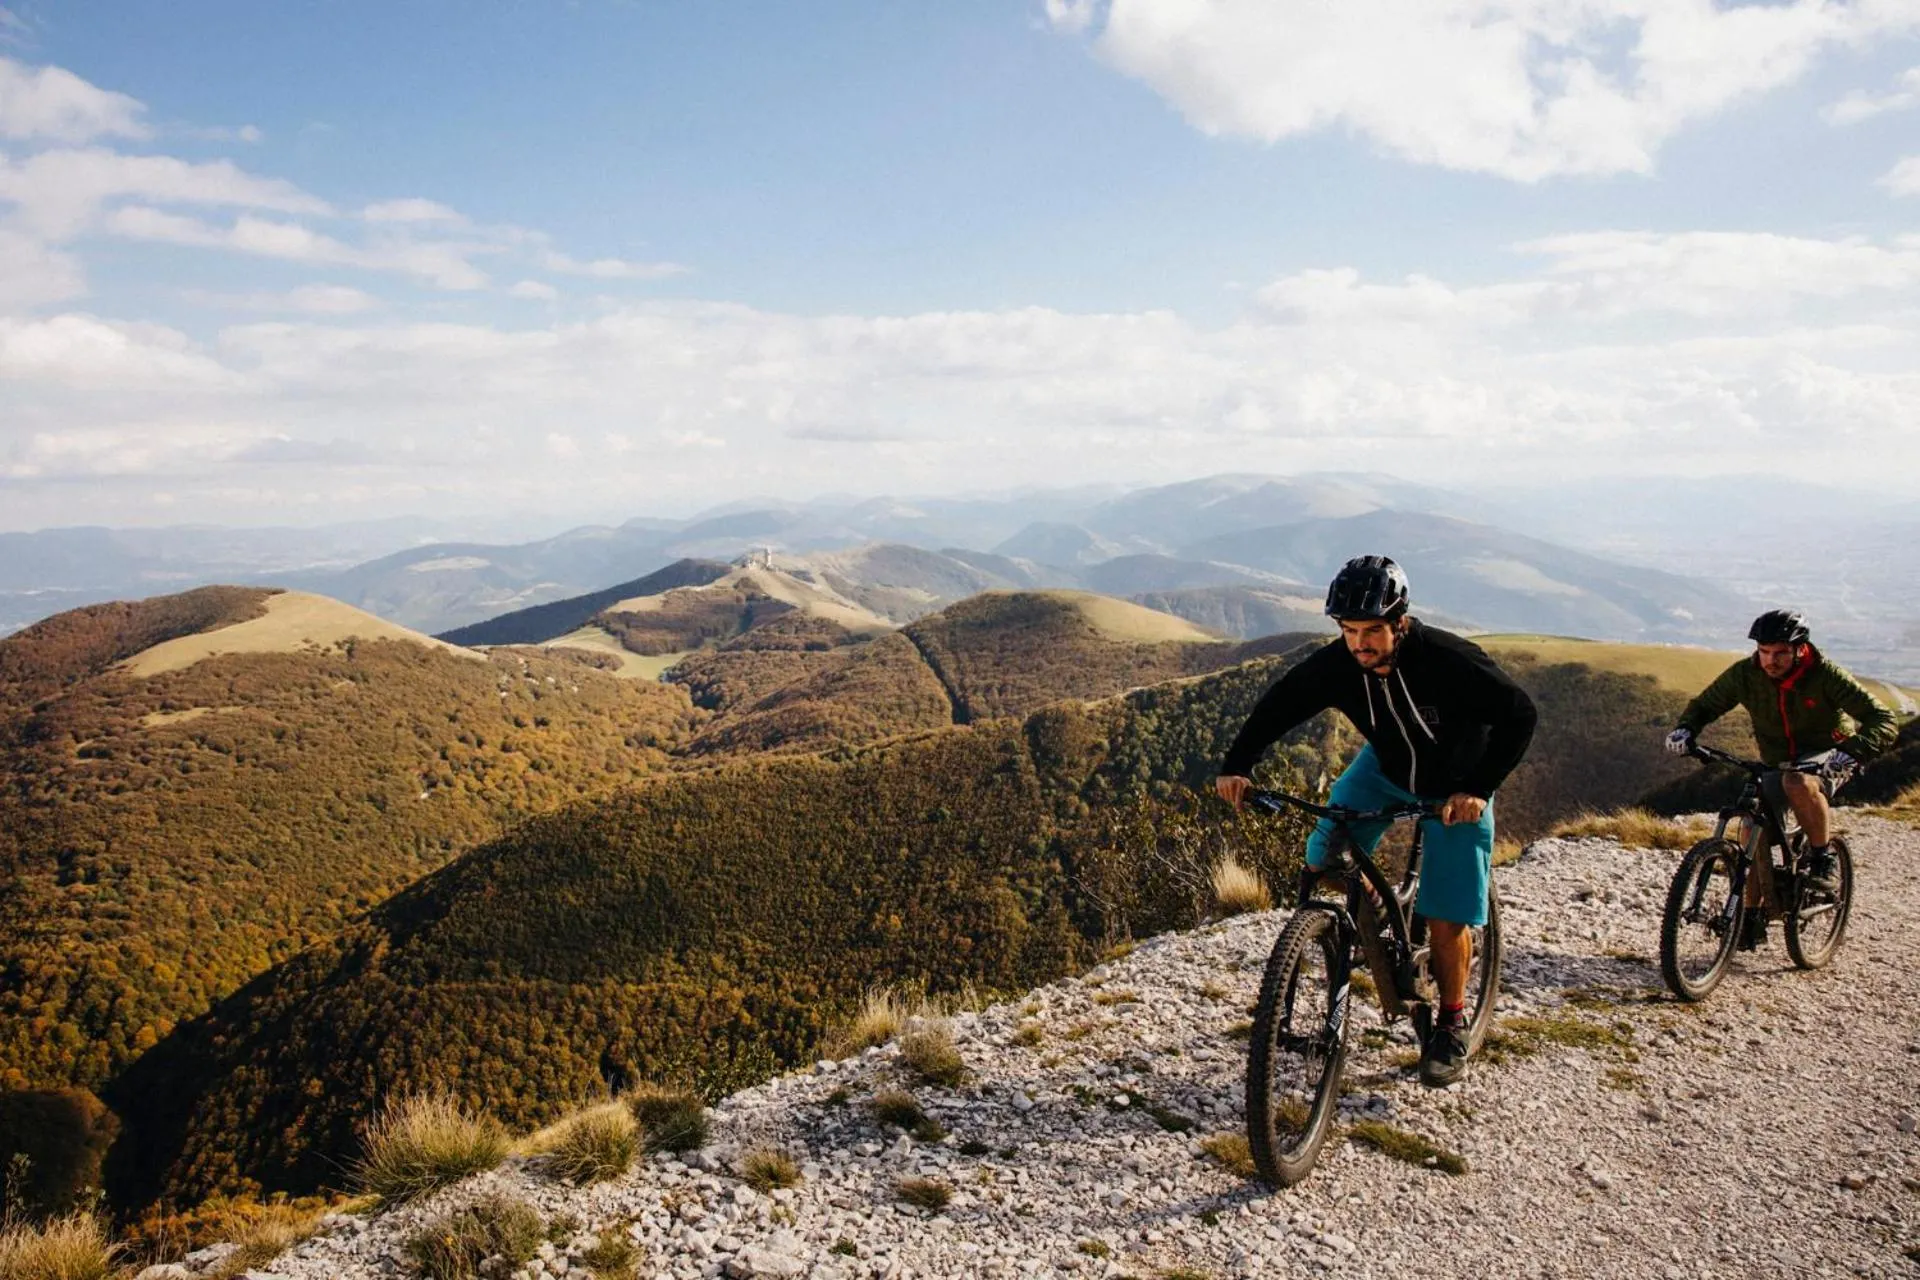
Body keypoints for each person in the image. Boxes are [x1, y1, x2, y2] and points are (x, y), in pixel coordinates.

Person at [1216, 555, 1537, 1087]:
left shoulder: (1448, 660)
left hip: (1455, 787)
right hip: (1384, 769)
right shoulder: (1340, 665)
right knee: (1323, 858)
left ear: (1400, 622)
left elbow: (1520, 713)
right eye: (1349, 631)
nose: (1360, 643)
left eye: (1371, 631)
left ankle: (1451, 1023)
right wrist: (1238, 763)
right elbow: (1282, 703)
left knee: (1447, 916)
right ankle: (1378, 910)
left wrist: (1478, 788)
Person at [1664, 609, 1896, 945]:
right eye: (1764, 651)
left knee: (1796, 783)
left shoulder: (1824, 675)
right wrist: (1686, 729)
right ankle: (1751, 915)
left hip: (1828, 757)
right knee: (1749, 827)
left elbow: (1882, 719)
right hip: (1778, 760)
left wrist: (1854, 750)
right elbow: (1706, 704)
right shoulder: (1746, 674)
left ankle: (1821, 858)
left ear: (1800, 649)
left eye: (1780, 652)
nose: (1770, 660)